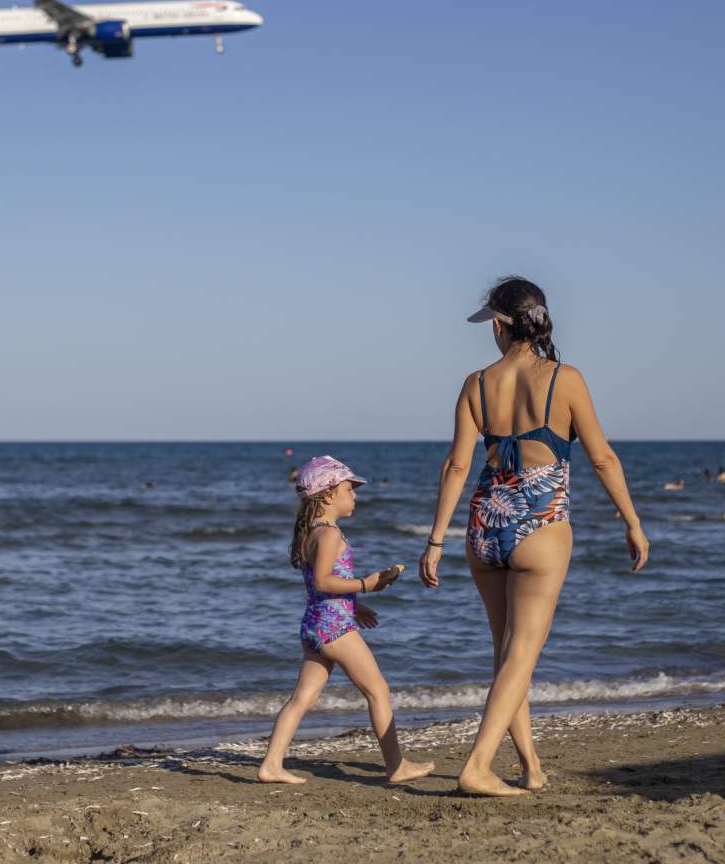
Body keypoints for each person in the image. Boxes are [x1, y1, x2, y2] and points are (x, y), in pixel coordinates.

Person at [420, 276, 648, 797]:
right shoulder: (565, 379)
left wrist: (435, 539)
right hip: (541, 524)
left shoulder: (475, 383)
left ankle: (531, 767)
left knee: (507, 656)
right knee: (521, 655)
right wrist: (632, 522)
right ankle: (478, 767)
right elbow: (601, 457)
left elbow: (457, 465)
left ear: (501, 326)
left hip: (485, 521)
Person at [258, 456, 431, 786]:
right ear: (327, 495)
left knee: (302, 699)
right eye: (349, 489)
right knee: (378, 690)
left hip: (314, 624)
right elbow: (324, 581)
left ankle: (271, 764)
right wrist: (367, 583)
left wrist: (355, 603)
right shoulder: (330, 536)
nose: (355, 496)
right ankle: (396, 766)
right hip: (334, 628)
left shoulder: (313, 532)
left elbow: (322, 586)